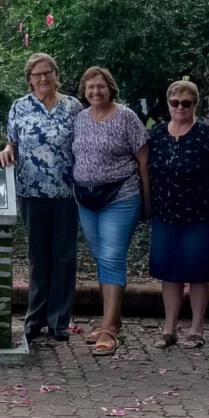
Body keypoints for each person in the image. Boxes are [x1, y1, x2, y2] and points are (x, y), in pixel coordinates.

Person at [0, 53, 82, 342]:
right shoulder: (19, 107)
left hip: (67, 194)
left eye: (48, 73)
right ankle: (35, 319)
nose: (43, 78)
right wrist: (6, 152)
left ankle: (59, 321)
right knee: (38, 257)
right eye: (37, 74)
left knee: (64, 257)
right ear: (29, 79)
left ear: (56, 75)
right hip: (32, 192)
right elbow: (13, 143)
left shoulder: (73, 106)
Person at [71, 66, 149, 356]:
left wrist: (147, 203)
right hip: (87, 199)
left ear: (110, 88)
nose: (95, 92)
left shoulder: (126, 117)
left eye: (100, 86)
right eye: (90, 87)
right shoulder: (80, 119)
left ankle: (108, 330)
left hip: (121, 196)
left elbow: (143, 162)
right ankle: (113, 321)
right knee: (100, 256)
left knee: (113, 256)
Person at [148, 80, 209, 350]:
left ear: (195, 105)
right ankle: (169, 329)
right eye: (175, 102)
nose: (180, 107)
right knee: (169, 273)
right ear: (168, 104)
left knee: (199, 273)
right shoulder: (156, 135)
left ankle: (196, 329)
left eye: (187, 103)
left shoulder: (208, 136)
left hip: (199, 214)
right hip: (165, 214)